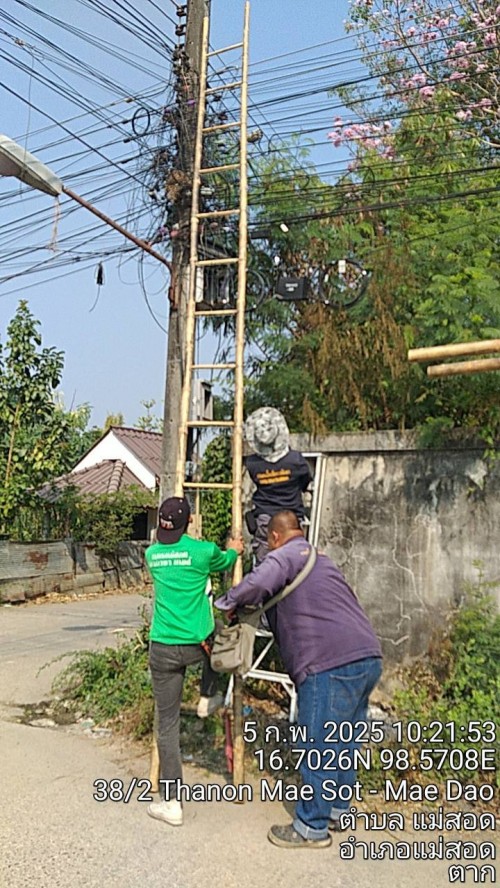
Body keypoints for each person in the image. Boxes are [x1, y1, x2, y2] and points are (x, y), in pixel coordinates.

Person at [215, 510, 382, 849]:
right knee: (344, 742)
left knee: (318, 743)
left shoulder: (285, 555)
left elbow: (260, 581)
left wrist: (227, 602)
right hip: (366, 655)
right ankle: (336, 809)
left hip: (327, 663)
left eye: (267, 542)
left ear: (275, 537)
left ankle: (311, 827)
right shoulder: (321, 559)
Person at [145, 495, 243, 827]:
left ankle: (171, 803)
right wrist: (235, 548)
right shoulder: (202, 552)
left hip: (162, 646)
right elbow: (227, 560)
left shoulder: (151, 554)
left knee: (167, 724)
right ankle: (208, 696)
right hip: (196, 644)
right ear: (190, 522)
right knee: (217, 638)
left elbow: (173, 552)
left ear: (162, 524)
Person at [244, 407, 312, 563]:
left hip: (265, 521)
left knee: (266, 567)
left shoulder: (253, 463)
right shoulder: (296, 460)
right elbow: (305, 482)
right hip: (292, 521)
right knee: (295, 566)